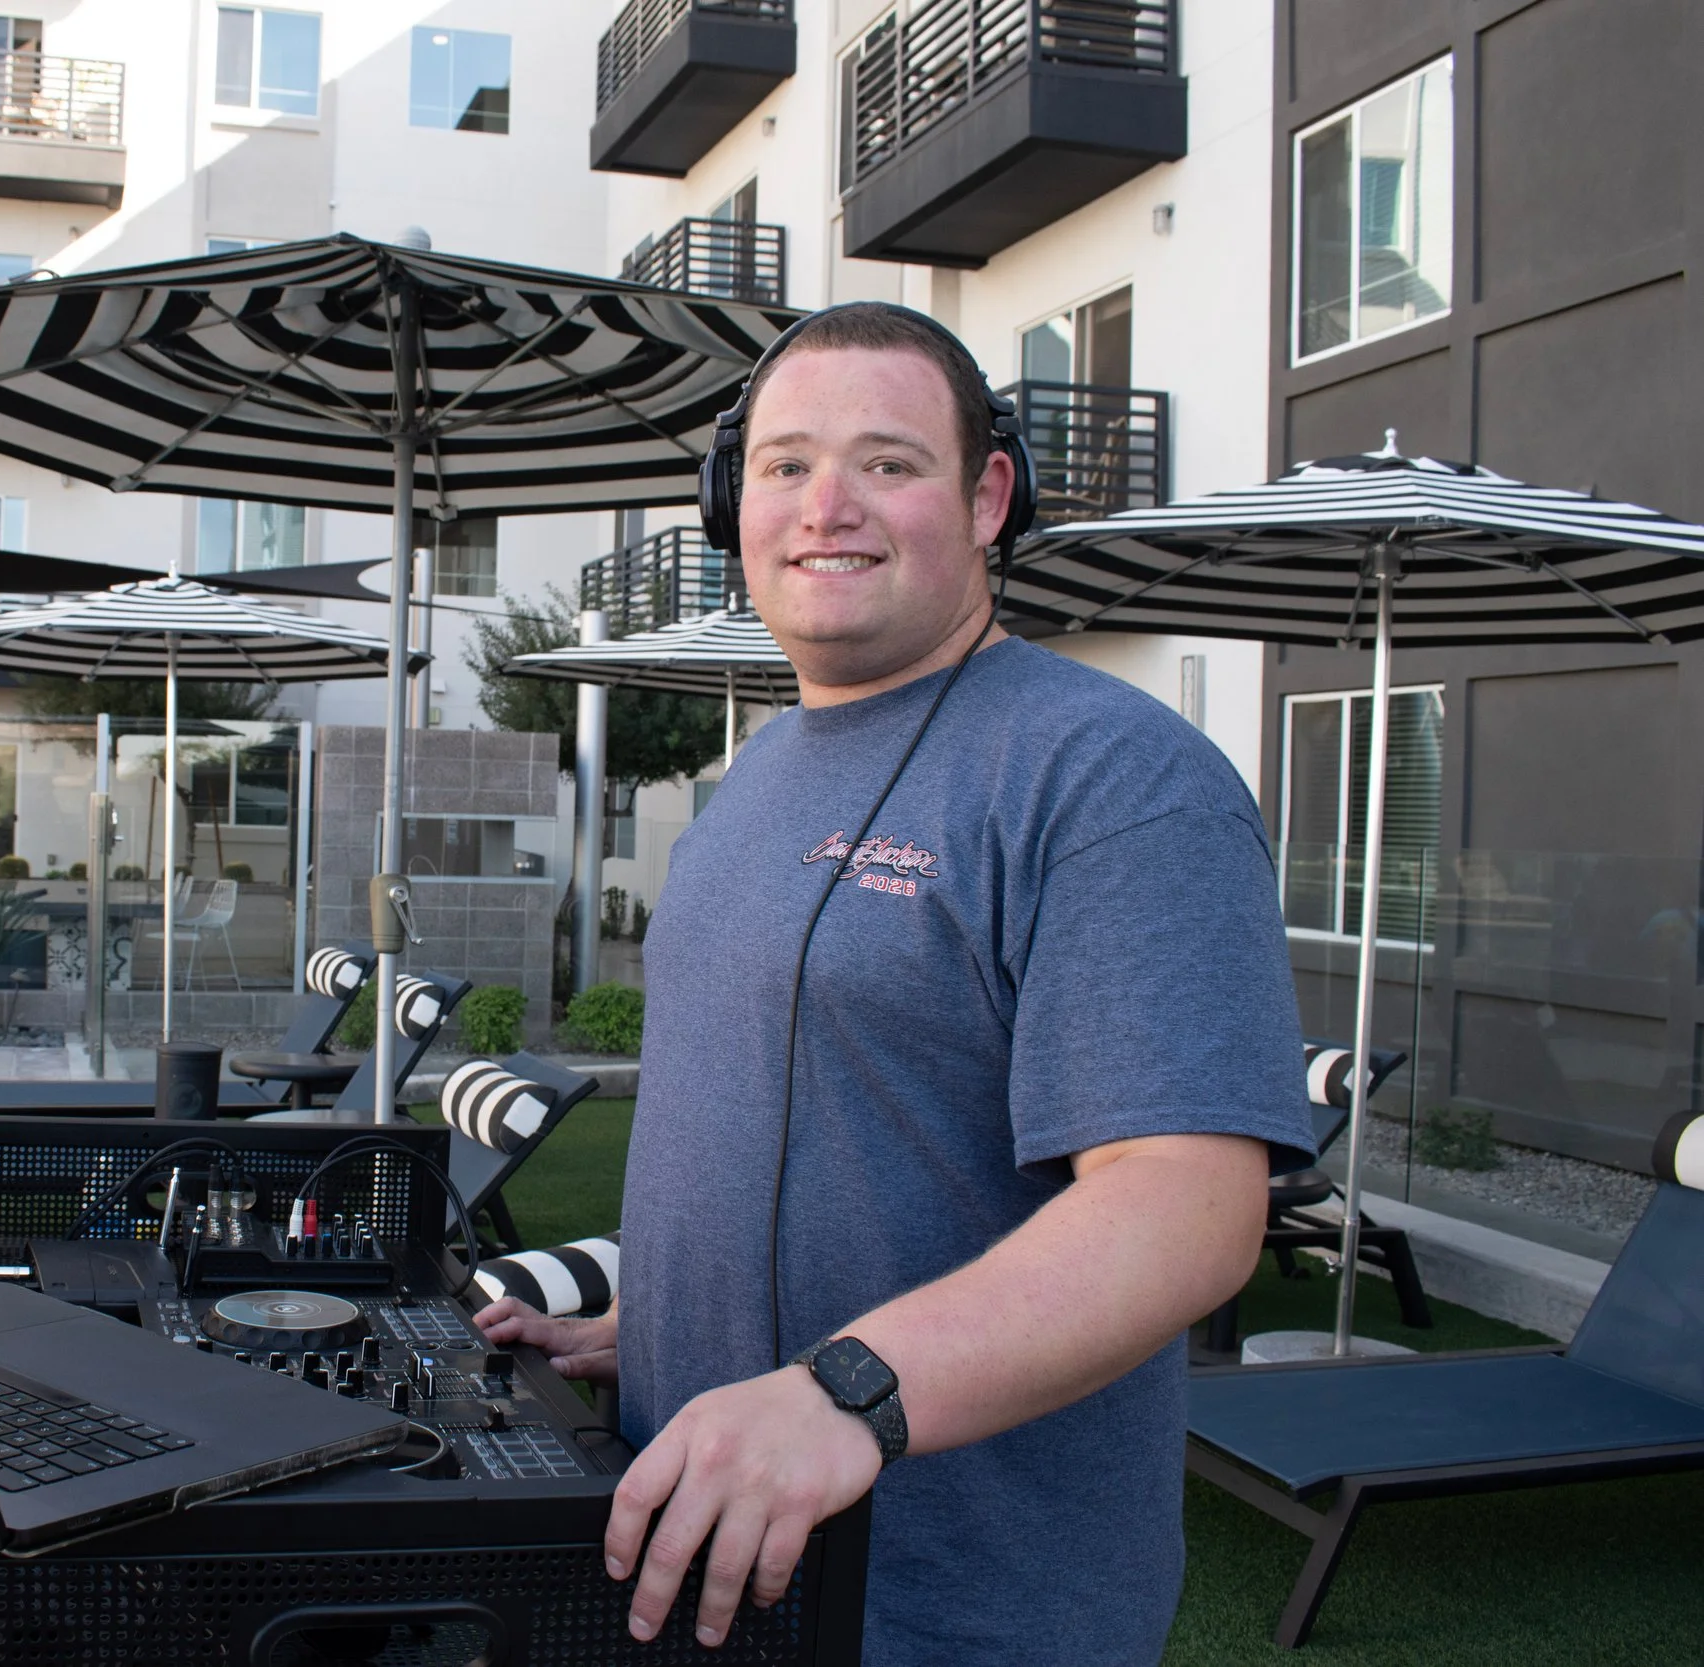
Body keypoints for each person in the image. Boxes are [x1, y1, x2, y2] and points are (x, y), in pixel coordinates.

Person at [481, 303, 1313, 1663]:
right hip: (699, 1543)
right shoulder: (755, 776)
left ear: (990, 497)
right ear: (728, 501)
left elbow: (1184, 1207)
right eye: (787, 463)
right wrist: (674, 1327)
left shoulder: (1111, 778)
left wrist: (839, 1391)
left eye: (888, 461)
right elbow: (810, 1120)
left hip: (948, 1603)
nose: (828, 506)